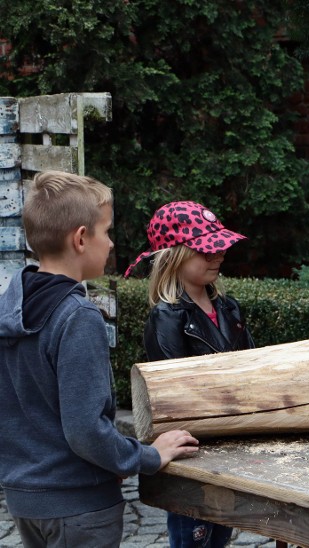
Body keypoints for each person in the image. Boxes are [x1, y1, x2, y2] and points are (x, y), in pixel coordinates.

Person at [0, 171, 199, 548]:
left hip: (25, 502)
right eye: (106, 232)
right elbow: (85, 431)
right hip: (81, 507)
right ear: (80, 238)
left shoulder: (9, 309)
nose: (110, 244)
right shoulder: (78, 317)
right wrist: (147, 457)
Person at [124, 200, 255, 547]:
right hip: (192, 452)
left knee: (221, 534)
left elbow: (254, 364)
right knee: (192, 539)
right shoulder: (166, 318)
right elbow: (174, 392)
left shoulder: (229, 307)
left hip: (231, 444)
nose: (219, 256)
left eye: (219, 248)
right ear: (175, 256)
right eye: (206, 250)